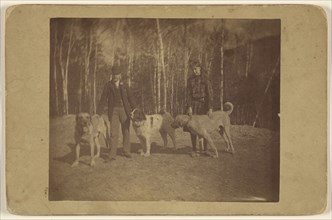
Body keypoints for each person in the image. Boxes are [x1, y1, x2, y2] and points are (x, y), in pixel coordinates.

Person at [97, 65, 136, 162]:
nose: (115, 76)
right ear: (112, 75)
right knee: (113, 133)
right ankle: (112, 155)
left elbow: (131, 98)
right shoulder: (108, 85)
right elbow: (103, 99)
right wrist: (98, 113)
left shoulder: (125, 85)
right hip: (113, 111)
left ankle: (126, 151)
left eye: (117, 74)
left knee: (126, 131)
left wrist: (135, 109)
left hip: (125, 111)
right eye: (114, 74)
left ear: (120, 75)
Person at [186, 62, 213, 157]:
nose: (194, 71)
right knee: (192, 127)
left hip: (203, 105)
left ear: (200, 69)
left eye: (196, 69)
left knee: (204, 127)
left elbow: (210, 94)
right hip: (193, 105)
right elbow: (188, 94)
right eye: (193, 69)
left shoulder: (205, 79)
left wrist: (209, 108)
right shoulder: (190, 80)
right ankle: (194, 150)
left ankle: (206, 149)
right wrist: (189, 106)